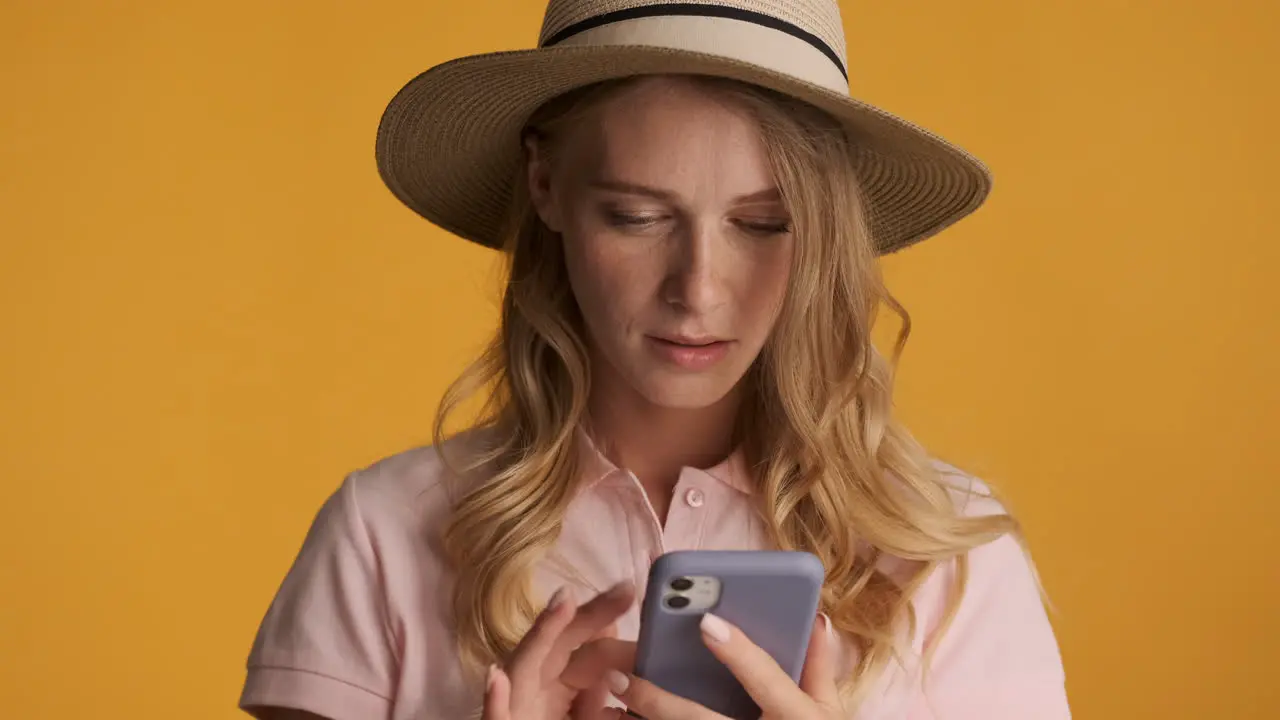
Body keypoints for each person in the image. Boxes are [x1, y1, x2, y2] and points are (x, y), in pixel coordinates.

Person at [238, 0, 1070, 718]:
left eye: (763, 223)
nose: (699, 290)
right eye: (637, 216)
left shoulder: (944, 557)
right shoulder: (384, 534)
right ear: (544, 182)